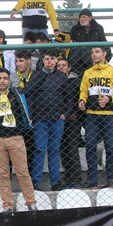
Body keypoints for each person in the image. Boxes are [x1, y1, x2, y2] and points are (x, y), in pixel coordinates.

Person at [0, 69, 37, 212]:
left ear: (9, 80)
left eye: (5, 78)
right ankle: (7, 205)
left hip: (16, 138)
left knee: (23, 172)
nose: (2, 81)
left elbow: (24, 110)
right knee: (3, 175)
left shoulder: (16, 93)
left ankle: (31, 203)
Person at [78, 47, 113, 189]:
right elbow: (84, 90)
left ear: (104, 54)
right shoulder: (88, 72)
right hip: (92, 114)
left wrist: (109, 99)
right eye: (92, 52)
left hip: (109, 115)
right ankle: (92, 180)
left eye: (97, 52)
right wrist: (82, 101)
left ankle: (111, 179)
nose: (94, 55)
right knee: (90, 146)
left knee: (110, 147)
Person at [24, 50, 68, 191]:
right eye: (47, 59)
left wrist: (65, 113)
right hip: (40, 118)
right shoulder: (36, 75)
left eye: (52, 59)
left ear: (56, 61)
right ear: (43, 60)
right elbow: (29, 94)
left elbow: (68, 96)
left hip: (57, 118)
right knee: (39, 149)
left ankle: (55, 182)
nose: (49, 61)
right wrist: (30, 115)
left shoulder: (62, 77)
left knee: (54, 149)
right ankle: (35, 182)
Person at [57, 59, 85, 188]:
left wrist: (76, 113)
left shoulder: (76, 82)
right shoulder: (54, 81)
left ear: (69, 68)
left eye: (64, 65)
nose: (61, 67)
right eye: (59, 65)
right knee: (63, 149)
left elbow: (81, 99)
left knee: (72, 148)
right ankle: (68, 178)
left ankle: (76, 178)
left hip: (73, 120)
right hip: (60, 119)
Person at [68, 8, 109, 74]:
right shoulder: (75, 29)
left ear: (90, 18)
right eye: (80, 17)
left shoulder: (98, 28)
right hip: (78, 61)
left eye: (84, 17)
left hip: (94, 58)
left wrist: (104, 60)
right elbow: (72, 44)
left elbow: (104, 43)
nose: (81, 19)